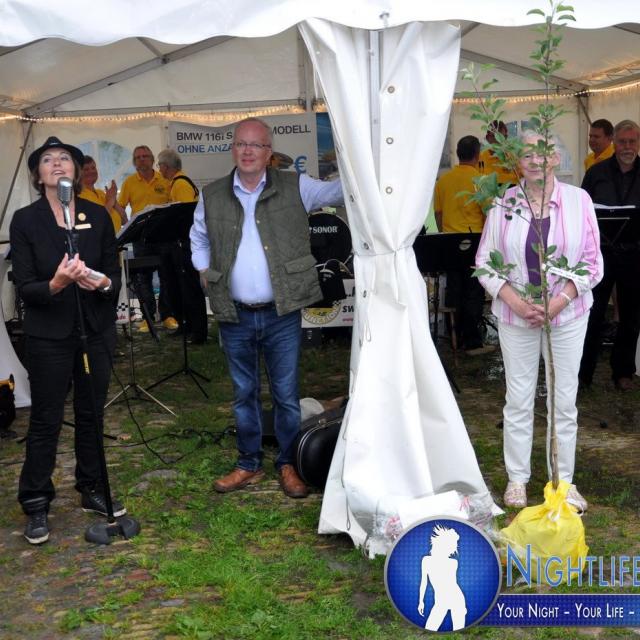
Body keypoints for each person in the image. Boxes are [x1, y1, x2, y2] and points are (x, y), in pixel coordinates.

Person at [190, 117, 343, 498]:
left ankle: (288, 464)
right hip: (234, 311)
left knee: (286, 395)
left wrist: (360, 159)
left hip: (281, 312)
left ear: (268, 152)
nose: (247, 151)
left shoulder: (296, 186)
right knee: (244, 393)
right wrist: (204, 271)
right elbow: (198, 237)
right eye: (241, 144)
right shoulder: (212, 194)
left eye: (256, 145)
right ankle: (248, 463)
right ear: (232, 149)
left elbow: (340, 193)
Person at [476, 131, 603, 511]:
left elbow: (593, 263)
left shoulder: (579, 201)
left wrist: (559, 301)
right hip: (516, 316)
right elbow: (484, 263)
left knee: (564, 400)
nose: (535, 160)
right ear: (517, 161)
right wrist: (515, 301)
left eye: (543, 153)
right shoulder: (504, 203)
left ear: (556, 158)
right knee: (518, 398)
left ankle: (563, 482)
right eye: (527, 154)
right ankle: (517, 478)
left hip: (568, 315)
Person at [9, 136, 126, 545]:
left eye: (65, 158)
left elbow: (114, 275)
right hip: (49, 335)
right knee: (46, 418)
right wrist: (57, 283)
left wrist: (102, 282)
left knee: (92, 413)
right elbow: (26, 287)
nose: (57, 164)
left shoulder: (97, 215)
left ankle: (92, 486)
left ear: (76, 171)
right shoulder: (26, 221)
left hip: (94, 329)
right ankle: (36, 500)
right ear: (38, 174)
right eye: (47, 160)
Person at [579, 119, 640, 392]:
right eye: (622, 141)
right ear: (614, 142)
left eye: (632, 141)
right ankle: (583, 374)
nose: (627, 147)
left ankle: (623, 371)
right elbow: (581, 210)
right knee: (593, 313)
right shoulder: (596, 172)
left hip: (634, 254)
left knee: (631, 315)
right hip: (600, 255)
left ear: (638, 143)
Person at [434, 135, 493, 355]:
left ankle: (454, 338)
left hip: (450, 242)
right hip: (474, 241)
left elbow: (438, 214)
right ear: (477, 155)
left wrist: (445, 234)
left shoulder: (444, 181)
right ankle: (473, 342)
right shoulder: (481, 181)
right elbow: (488, 215)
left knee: (454, 290)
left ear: (458, 154)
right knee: (473, 292)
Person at [117, 145, 177, 332]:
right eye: (138, 157)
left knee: (167, 276)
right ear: (134, 162)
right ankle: (148, 317)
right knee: (142, 278)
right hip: (141, 238)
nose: (142, 159)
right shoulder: (129, 183)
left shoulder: (165, 179)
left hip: (164, 236)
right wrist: (125, 223)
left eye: (145, 156)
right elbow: (119, 206)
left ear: (152, 159)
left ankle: (167, 315)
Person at [157, 148, 208, 344]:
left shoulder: (181, 184)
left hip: (184, 243)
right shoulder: (175, 183)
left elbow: (187, 215)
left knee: (190, 288)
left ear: (166, 166)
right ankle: (187, 325)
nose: (159, 169)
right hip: (179, 243)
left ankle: (198, 331)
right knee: (180, 287)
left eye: (160, 165)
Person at [79, 155, 127, 233]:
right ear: (78, 173)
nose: (91, 171)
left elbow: (124, 221)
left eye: (93, 168)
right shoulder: (79, 196)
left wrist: (114, 200)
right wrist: (110, 202)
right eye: (86, 169)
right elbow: (95, 223)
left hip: (117, 239)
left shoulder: (101, 193)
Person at [479, 120, 519, 187]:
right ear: (487, 138)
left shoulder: (512, 158)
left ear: (506, 137)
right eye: (494, 136)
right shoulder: (480, 158)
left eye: (501, 137)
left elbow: (520, 179)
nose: (497, 140)